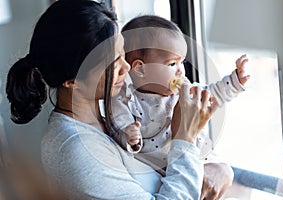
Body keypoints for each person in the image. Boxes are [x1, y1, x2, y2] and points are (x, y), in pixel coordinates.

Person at [5, 0, 219, 199]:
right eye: (113, 62)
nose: (127, 67)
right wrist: (185, 138)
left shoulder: (118, 112)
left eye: (123, 54)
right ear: (73, 80)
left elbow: (167, 165)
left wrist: (220, 169)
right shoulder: (75, 151)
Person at [109, 15, 250, 199]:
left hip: (197, 161)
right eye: (172, 63)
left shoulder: (183, 92)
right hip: (163, 172)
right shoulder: (127, 100)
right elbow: (118, 123)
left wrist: (235, 81)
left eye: (181, 62)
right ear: (140, 69)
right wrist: (127, 133)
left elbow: (212, 94)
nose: (180, 70)